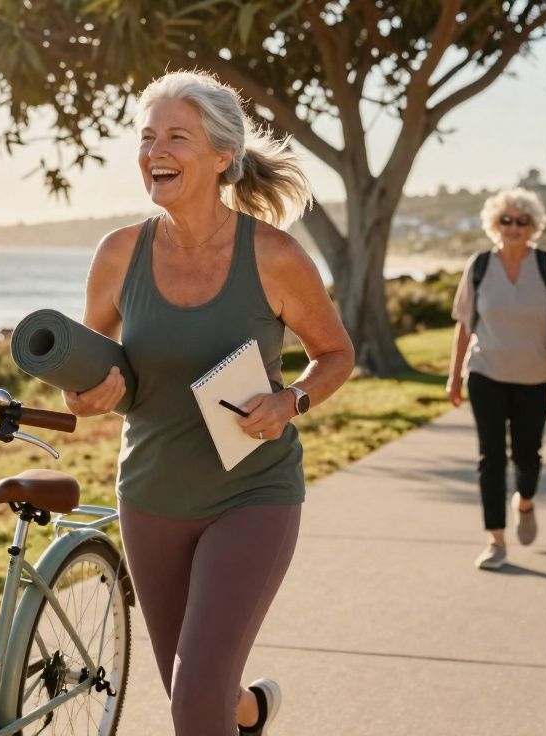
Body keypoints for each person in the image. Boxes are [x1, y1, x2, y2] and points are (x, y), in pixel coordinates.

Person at [61, 70, 354, 736]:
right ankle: (251, 712)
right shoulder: (119, 255)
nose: (154, 151)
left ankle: (231, 708)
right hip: (151, 498)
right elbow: (83, 377)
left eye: (176, 137)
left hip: (252, 495)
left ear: (223, 156)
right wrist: (82, 395)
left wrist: (293, 400)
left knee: (195, 699)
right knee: (200, 698)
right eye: (146, 137)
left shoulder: (274, 256)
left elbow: (335, 354)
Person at [447, 189, 546, 570]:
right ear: (494, 224)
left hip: (536, 377)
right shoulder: (480, 265)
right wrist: (454, 376)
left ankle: (526, 501)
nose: (514, 227)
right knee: (491, 457)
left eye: (522, 221)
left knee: (527, 455)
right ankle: (495, 540)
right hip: (486, 373)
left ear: (533, 227)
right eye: (507, 220)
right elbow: (464, 326)